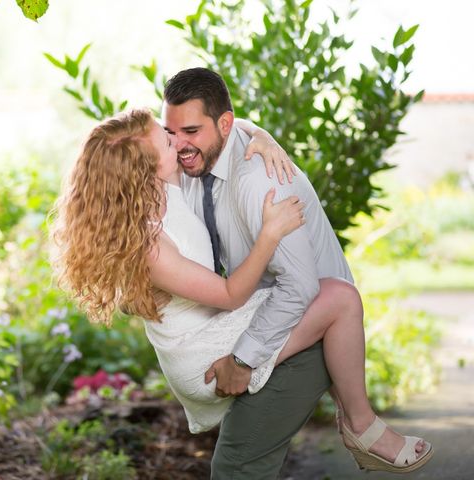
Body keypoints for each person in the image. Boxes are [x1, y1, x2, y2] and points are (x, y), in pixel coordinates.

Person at [53, 107, 432, 478]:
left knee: (329, 299)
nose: (176, 140)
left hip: (215, 328)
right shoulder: (149, 244)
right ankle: (360, 424)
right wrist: (270, 234)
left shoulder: (169, 188)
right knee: (340, 300)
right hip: (200, 357)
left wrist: (258, 135)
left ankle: (356, 420)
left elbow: (212, 135)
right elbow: (231, 294)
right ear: (146, 170)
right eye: (167, 140)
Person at [161, 67, 433, 478]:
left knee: (238, 463)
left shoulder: (260, 181)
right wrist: (258, 132)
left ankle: (363, 427)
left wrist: (243, 360)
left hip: (310, 329)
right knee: (238, 461)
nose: (179, 145)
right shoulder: (199, 164)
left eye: (191, 132)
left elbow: (301, 290)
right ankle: (362, 427)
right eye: (172, 132)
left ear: (224, 124)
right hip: (263, 321)